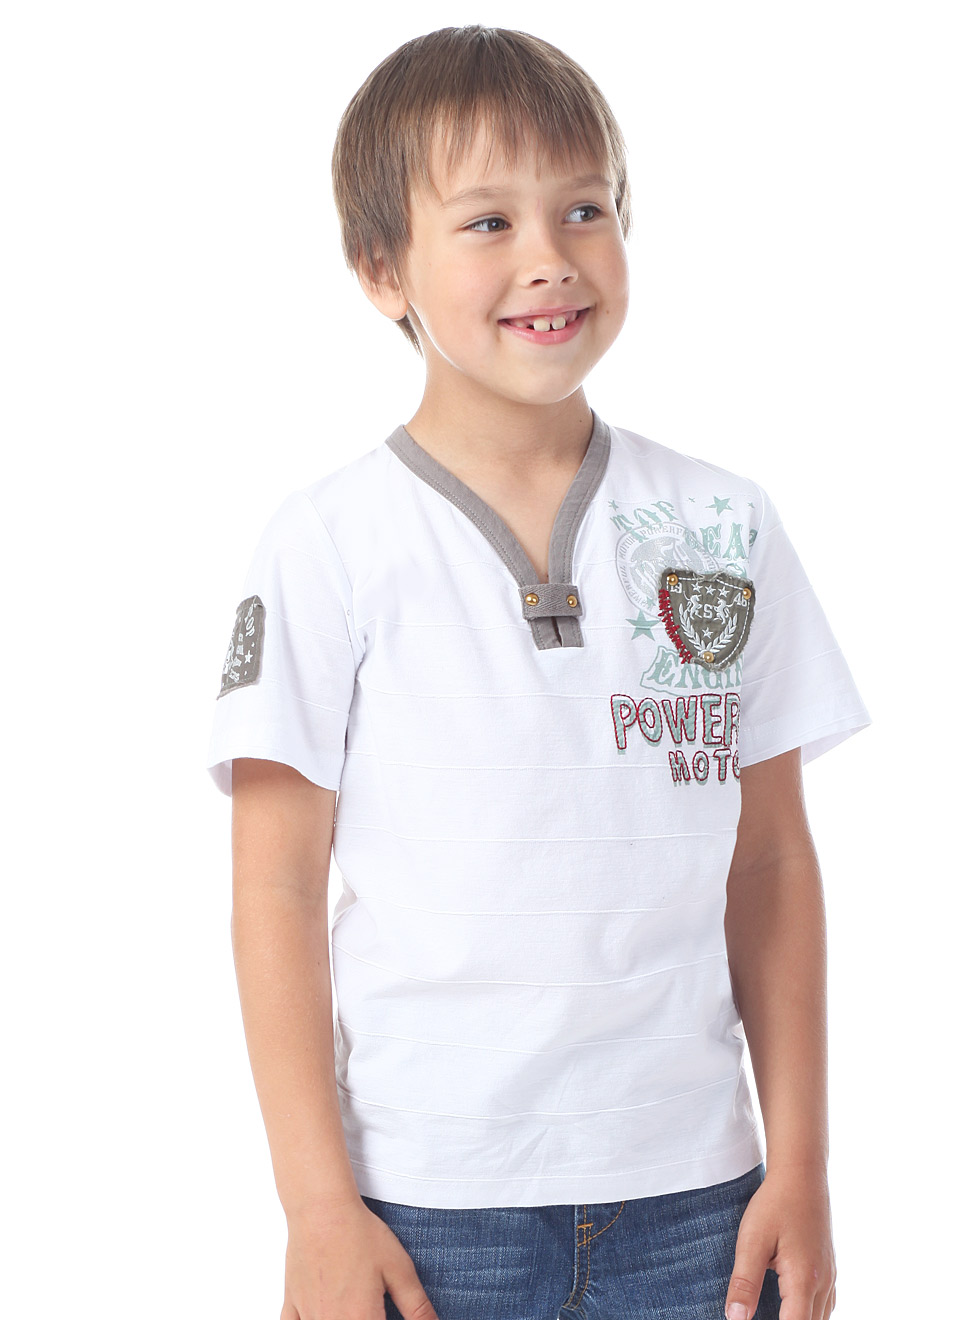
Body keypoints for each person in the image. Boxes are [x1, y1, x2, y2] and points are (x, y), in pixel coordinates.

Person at [207, 25, 870, 1320]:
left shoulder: (723, 523)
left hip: (700, 1205)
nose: (550, 257)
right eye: (488, 222)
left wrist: (803, 1165)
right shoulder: (328, 542)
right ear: (381, 269)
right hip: (425, 1210)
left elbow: (771, 862)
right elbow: (274, 888)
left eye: (585, 208)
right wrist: (316, 1208)